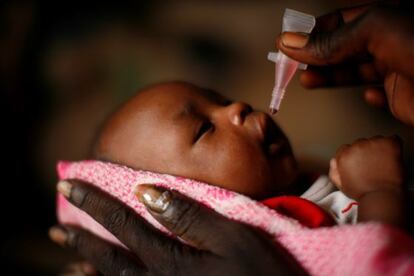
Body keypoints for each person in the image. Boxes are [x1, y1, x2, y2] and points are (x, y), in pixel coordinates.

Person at [49, 3, 414, 275]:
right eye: (204, 129)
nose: (237, 107)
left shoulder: (312, 177)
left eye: (220, 100)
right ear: (195, 200)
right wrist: (380, 191)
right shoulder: (289, 235)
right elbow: (375, 263)